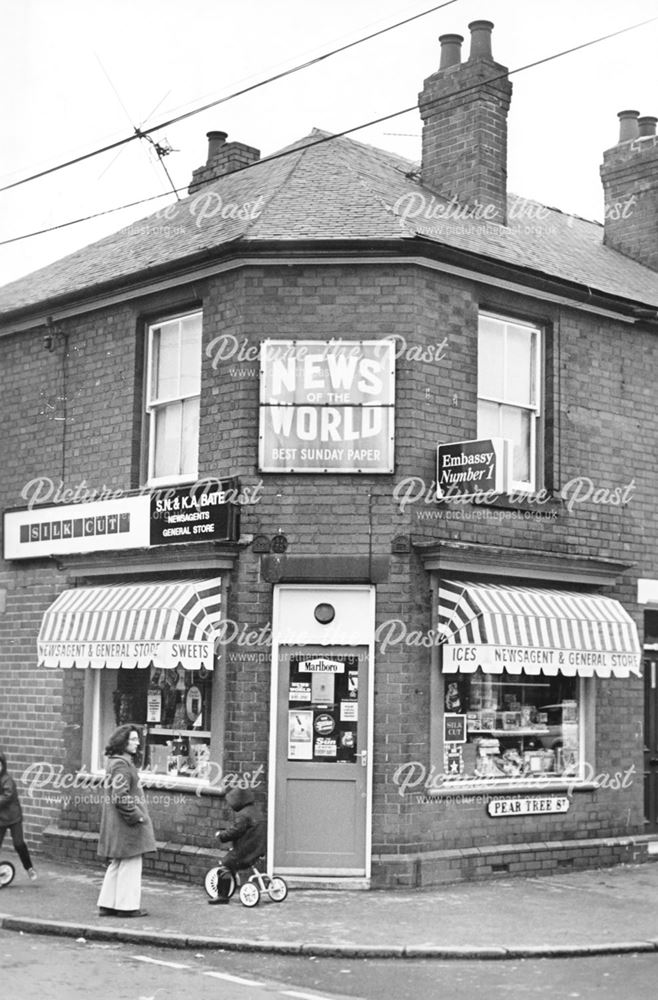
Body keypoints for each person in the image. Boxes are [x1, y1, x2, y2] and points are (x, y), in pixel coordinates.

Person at [96, 725, 156, 918]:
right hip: (127, 825)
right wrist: (137, 816)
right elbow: (120, 796)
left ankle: (108, 904)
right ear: (123, 742)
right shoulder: (122, 765)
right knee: (131, 863)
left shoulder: (116, 762)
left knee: (118, 863)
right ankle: (127, 907)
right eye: (133, 739)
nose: (138, 742)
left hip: (118, 824)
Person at [208, 786, 267, 905]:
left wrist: (221, 835)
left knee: (225, 865)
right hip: (257, 850)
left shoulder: (243, 815)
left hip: (244, 853)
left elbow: (235, 831)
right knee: (231, 863)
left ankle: (222, 896)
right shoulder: (257, 812)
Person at [0, 751, 37, 881]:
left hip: (13, 818)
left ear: (3, 766)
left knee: (18, 843)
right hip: (1, 819)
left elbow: (7, 796)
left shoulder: (7, 780)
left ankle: (29, 868)